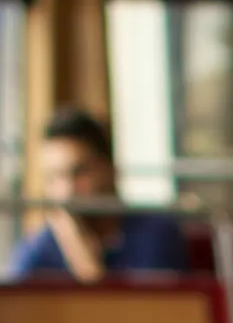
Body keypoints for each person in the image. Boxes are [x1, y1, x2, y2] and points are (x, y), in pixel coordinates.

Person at [10, 108, 183, 283]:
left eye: (79, 172)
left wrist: (88, 269)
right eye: (54, 177)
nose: (67, 190)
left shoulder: (157, 235)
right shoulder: (37, 254)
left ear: (109, 170)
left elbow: (152, 301)